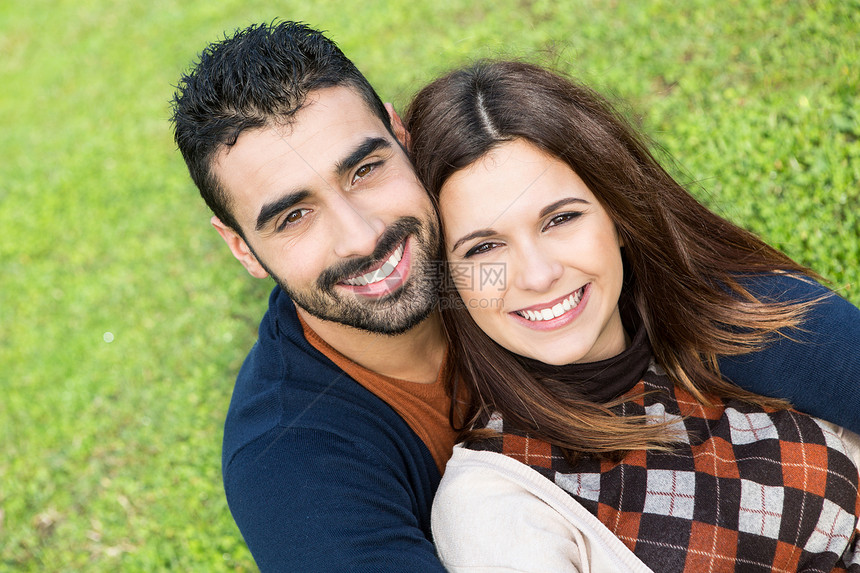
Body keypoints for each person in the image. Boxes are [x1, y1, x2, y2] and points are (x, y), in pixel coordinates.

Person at [170, 21, 860, 571]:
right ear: (239, 246)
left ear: (398, 132)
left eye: (364, 168)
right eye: (294, 216)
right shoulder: (291, 460)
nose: (364, 237)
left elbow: (704, 291)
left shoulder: (481, 259)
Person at [404, 60, 860, 572]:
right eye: (485, 246)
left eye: (561, 218)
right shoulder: (492, 502)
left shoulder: (722, 319)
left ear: (619, 216)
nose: (537, 274)